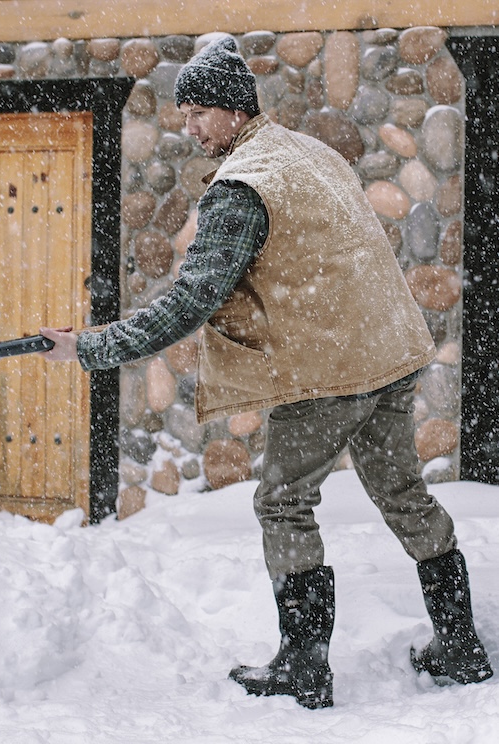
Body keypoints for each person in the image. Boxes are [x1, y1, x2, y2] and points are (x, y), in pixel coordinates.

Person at [40, 37, 493, 708]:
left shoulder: (242, 187)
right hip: (388, 354)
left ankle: (304, 665)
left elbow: (191, 300)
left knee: (282, 502)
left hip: (329, 369)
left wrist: (89, 347)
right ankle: (459, 645)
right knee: (403, 493)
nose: (186, 127)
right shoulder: (303, 150)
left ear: (231, 109)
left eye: (197, 113)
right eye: (182, 113)